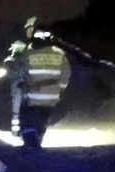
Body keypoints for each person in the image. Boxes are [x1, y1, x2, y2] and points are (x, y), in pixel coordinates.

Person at [8, 18, 71, 148]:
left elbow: (19, 73)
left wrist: (20, 84)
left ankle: (30, 145)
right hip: (51, 98)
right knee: (42, 121)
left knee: (27, 122)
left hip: (32, 96)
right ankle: (37, 141)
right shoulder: (60, 56)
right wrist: (59, 90)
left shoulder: (28, 55)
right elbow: (66, 75)